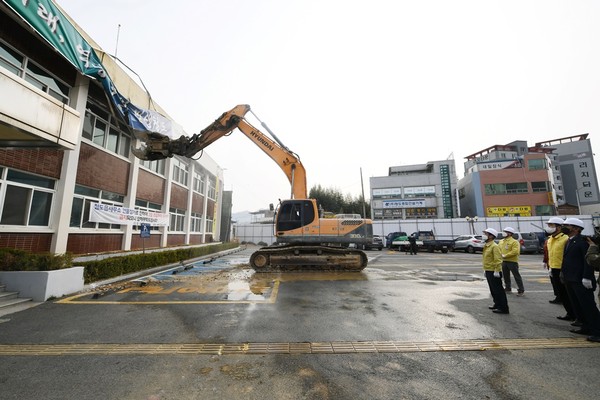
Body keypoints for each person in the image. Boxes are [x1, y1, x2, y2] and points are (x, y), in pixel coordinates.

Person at [560, 218, 600, 343]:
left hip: (580, 279)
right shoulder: (569, 241)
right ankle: (585, 326)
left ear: (576, 229)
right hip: (570, 278)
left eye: (567, 226)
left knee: (588, 307)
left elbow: (587, 261)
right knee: (578, 306)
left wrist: (587, 277)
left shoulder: (582, 242)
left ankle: (597, 331)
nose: (564, 227)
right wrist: (563, 273)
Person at [543, 217, 575, 322]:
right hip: (554, 269)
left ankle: (576, 315)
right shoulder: (550, 239)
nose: (549, 228)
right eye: (549, 225)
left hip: (563, 269)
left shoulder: (565, 239)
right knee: (562, 294)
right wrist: (550, 267)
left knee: (569, 294)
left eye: (551, 225)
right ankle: (570, 313)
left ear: (559, 227)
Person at [482, 228, 509, 314]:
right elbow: (486, 259)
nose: (484, 235)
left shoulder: (494, 246)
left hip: (494, 271)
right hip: (489, 270)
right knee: (493, 289)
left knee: (498, 290)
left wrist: (497, 271)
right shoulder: (487, 245)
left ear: (491, 236)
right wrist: (485, 270)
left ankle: (503, 308)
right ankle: (497, 304)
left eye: (486, 234)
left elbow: (498, 260)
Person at [499, 227, 524, 296]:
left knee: (516, 276)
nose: (503, 233)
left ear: (510, 233)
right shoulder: (501, 241)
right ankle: (507, 288)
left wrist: (505, 255)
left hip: (512, 261)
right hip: (504, 261)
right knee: (506, 276)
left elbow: (515, 251)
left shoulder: (514, 242)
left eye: (505, 231)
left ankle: (521, 290)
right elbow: (498, 250)